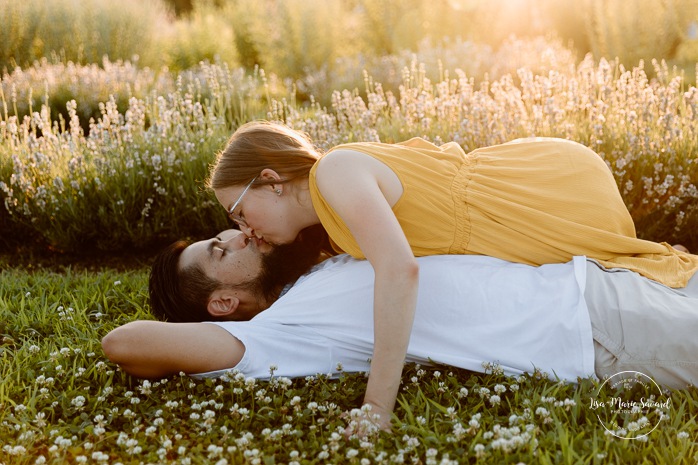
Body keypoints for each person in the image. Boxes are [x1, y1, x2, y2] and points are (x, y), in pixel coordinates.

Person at [206, 121, 698, 429]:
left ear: (270, 182)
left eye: (239, 212)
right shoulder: (336, 225)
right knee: (638, 266)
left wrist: (377, 405)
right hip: (513, 212)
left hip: (536, 190)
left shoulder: (334, 173)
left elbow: (399, 271)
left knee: (626, 264)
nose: (244, 229)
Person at [102, 232, 698, 401]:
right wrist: (204, 335)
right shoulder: (271, 335)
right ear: (222, 304)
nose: (233, 236)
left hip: (597, 276)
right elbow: (124, 344)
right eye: (218, 251)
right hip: (595, 331)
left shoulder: (317, 264)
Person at [148, 225, 331, 323]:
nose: (242, 236)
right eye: (223, 252)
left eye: (222, 241)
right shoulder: (297, 317)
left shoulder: (298, 253)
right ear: (224, 303)